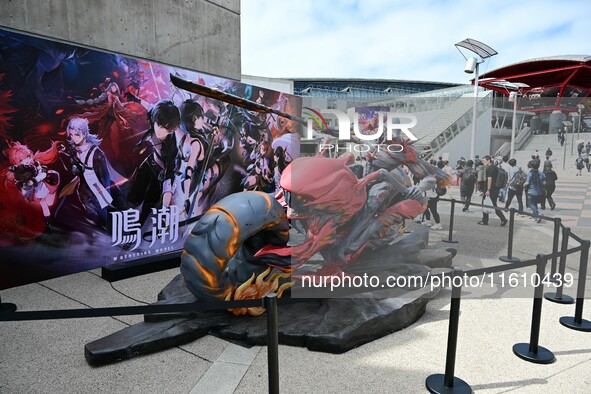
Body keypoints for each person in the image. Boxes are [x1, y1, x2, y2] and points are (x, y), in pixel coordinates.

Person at [61, 117, 124, 227]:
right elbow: (74, 171)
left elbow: (105, 177)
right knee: (96, 221)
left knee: (109, 219)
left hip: (100, 192)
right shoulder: (73, 151)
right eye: (71, 135)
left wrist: (105, 195)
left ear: (84, 133)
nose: (73, 138)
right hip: (85, 193)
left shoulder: (97, 154)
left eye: (76, 134)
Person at [128, 99, 180, 225]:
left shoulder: (172, 147)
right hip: (149, 162)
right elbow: (148, 105)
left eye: (164, 127)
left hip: (161, 175)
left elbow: (169, 179)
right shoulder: (157, 116)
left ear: (171, 129)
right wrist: (133, 97)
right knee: (132, 196)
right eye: (158, 124)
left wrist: (164, 208)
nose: (159, 129)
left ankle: (133, 234)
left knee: (148, 206)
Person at [478, 155, 507, 226]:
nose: (483, 162)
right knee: (491, 204)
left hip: (491, 189)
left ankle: (487, 220)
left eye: (484, 161)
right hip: (495, 188)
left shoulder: (489, 168)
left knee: (489, 204)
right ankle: (485, 220)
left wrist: (488, 190)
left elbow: (489, 179)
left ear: (488, 160)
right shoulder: (494, 167)